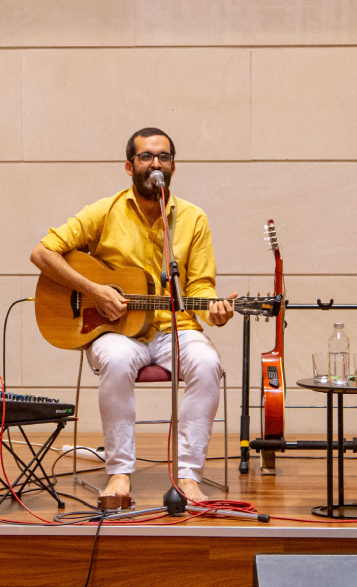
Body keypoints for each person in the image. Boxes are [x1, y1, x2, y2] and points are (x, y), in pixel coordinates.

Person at [30, 127, 236, 503]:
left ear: (173, 165)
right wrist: (95, 290)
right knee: (116, 357)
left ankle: (189, 476)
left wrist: (215, 312)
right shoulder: (105, 211)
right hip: (117, 332)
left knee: (207, 363)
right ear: (129, 166)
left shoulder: (193, 219)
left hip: (177, 327)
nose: (155, 163)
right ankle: (119, 473)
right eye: (146, 157)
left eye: (163, 157)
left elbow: (200, 289)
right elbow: (42, 253)